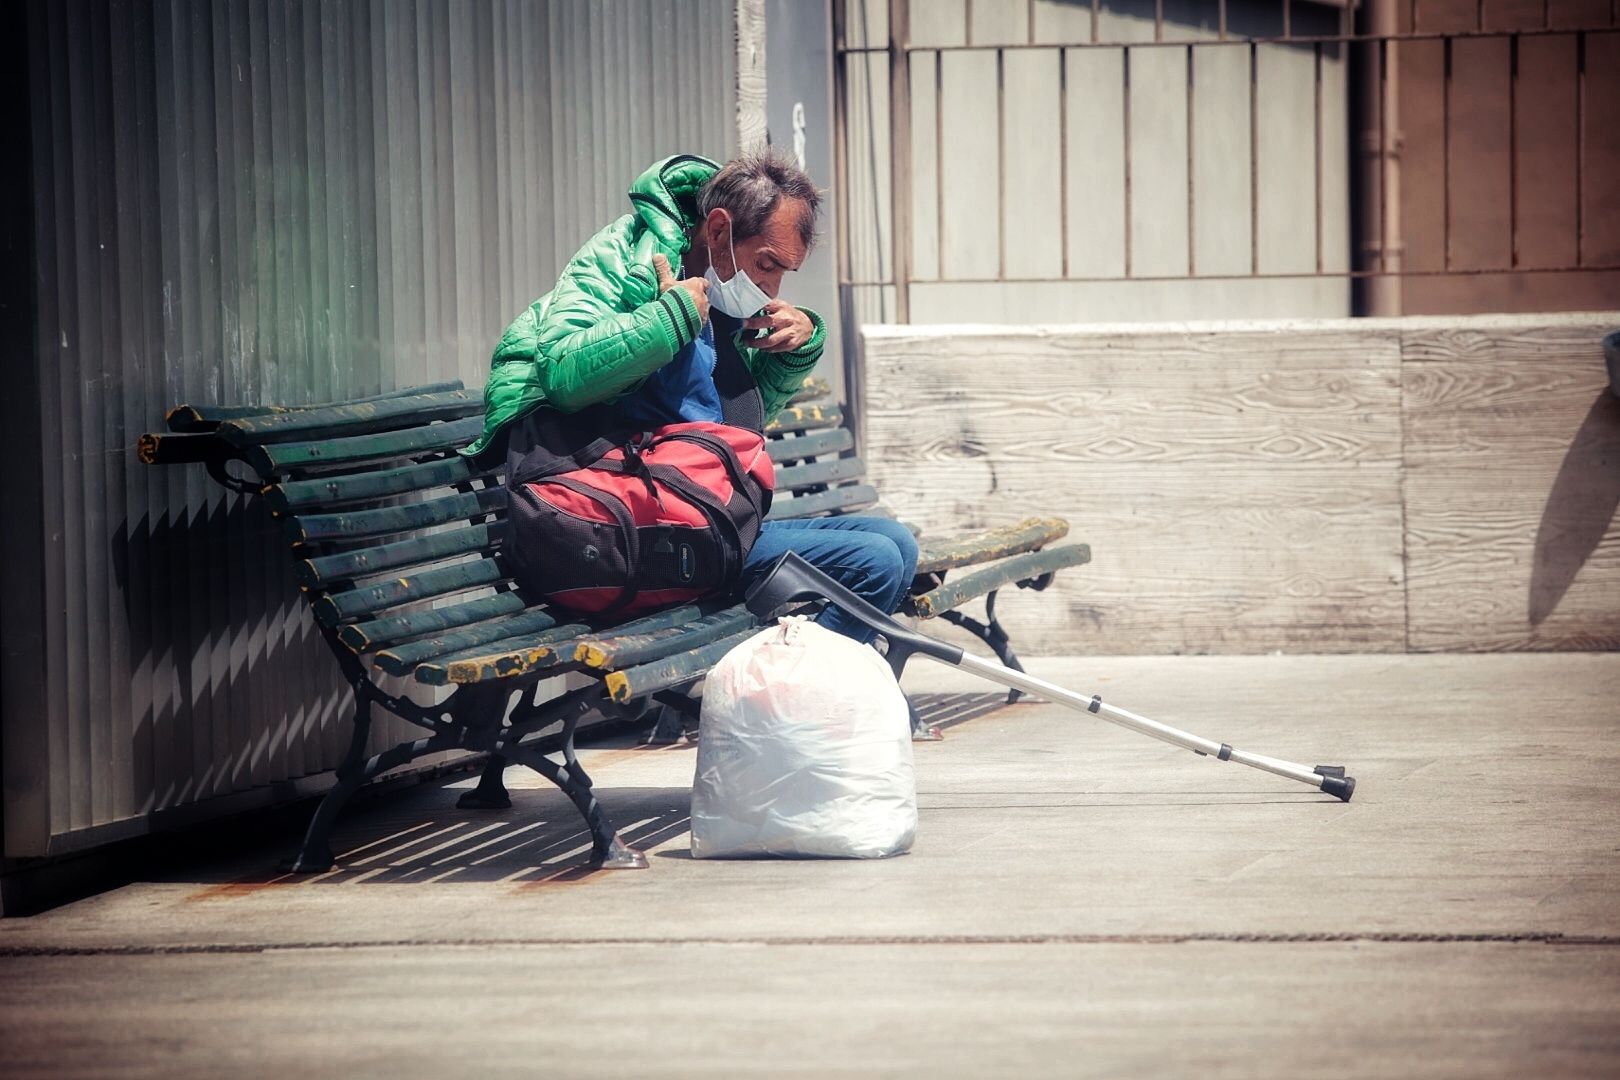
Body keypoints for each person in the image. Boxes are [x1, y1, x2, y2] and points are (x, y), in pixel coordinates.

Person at [468, 150, 917, 644]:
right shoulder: (629, 260)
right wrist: (668, 318)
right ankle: (789, 690)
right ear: (719, 230)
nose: (772, 285)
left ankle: (805, 695)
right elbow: (562, 371)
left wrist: (794, 349)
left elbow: (728, 428)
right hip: (631, 525)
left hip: (696, 505)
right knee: (875, 563)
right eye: (767, 264)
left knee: (898, 544)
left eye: (785, 272)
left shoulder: (723, 288)